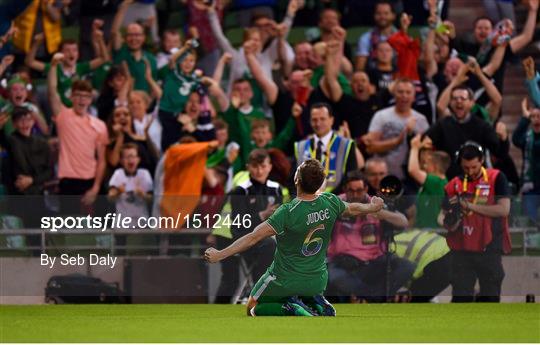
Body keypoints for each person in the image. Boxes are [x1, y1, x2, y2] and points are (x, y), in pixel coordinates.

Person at [205, 159, 385, 316]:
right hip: (317, 280)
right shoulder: (331, 201)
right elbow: (353, 208)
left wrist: (220, 254)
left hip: (285, 279)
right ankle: (317, 303)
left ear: (297, 179)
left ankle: (287, 307)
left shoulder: (287, 212)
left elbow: (253, 238)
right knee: (307, 291)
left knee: (252, 306)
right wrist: (372, 207)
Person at [326, 171, 414, 303]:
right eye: (351, 191)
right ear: (345, 189)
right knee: (335, 277)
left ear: (366, 189)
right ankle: (378, 296)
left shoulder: (375, 203)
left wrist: (380, 213)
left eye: (359, 190)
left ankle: (366, 297)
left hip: (374, 262)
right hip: (344, 263)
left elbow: (403, 222)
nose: (355, 195)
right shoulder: (336, 203)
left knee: (406, 266)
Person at [440, 142, 511, 302]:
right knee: (460, 298)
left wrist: (468, 205)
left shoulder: (497, 178)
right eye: (466, 168)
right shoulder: (453, 185)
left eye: (474, 167)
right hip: (461, 248)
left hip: (490, 246)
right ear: (460, 164)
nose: (470, 172)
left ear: (481, 161)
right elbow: (442, 215)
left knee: (490, 296)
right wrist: (450, 222)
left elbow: (503, 209)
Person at [47, 53, 108, 211]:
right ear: (72, 97)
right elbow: (52, 90)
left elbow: (102, 160)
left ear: (90, 100)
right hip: (68, 180)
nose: (82, 100)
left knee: (96, 229)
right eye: (78, 96)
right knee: (70, 229)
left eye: (86, 97)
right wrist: (53, 65)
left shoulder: (100, 125)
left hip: (91, 180)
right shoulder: (63, 116)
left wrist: (95, 188)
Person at [227, 149, 282, 298]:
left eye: (263, 166)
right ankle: (261, 291)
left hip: (270, 236)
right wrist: (261, 215)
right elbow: (239, 222)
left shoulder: (276, 189)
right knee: (269, 245)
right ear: (248, 167)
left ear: (270, 166)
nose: (259, 171)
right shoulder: (240, 191)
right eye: (255, 166)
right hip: (245, 238)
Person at [425, 85, 507, 179]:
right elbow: (424, 142)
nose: (458, 101)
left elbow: (500, 152)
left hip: (476, 180)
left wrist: (503, 139)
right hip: (449, 181)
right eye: (455, 98)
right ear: (450, 103)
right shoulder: (442, 125)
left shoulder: (481, 125)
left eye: (463, 98)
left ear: (472, 103)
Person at [365, 78, 429, 181]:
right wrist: (398, 140)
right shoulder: (381, 116)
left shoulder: (421, 120)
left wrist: (412, 135)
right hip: (382, 177)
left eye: (408, 92)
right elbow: (370, 147)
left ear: (414, 96)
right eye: (400, 92)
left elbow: (426, 152)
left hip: (410, 179)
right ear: (394, 95)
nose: (404, 95)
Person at [294, 103, 360, 194]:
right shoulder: (300, 147)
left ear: (331, 120)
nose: (318, 123)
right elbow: (293, 179)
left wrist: (328, 199)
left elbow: (351, 178)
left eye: (322, 119)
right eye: (314, 120)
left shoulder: (346, 145)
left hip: (336, 202)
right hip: (307, 203)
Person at [111, 0, 158, 93]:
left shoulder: (151, 59)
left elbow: (153, 86)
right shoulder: (121, 52)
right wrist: (124, 6)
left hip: (143, 104)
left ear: (143, 37)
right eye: (130, 35)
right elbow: (114, 32)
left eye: (137, 35)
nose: (134, 39)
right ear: (125, 38)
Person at [408, 134, 450, 229]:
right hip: (422, 234)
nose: (424, 167)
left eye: (427, 164)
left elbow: (413, 170)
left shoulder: (438, 182)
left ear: (435, 166)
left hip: (433, 235)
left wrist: (414, 148)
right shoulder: (430, 184)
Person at [108, 143, 153, 224]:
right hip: (122, 223)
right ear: (121, 161)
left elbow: (152, 199)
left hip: (141, 222)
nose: (130, 159)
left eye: (133, 156)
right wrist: (118, 191)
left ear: (138, 159)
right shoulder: (118, 174)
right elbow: (110, 197)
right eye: (127, 157)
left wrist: (143, 195)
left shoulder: (144, 174)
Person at [512, 101, 540, 225]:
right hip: (531, 186)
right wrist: (525, 118)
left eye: (538, 116)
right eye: (532, 117)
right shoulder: (528, 138)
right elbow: (516, 139)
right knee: (530, 220)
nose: (535, 120)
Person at [355, 0, 397, 71]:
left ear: (393, 16)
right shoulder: (365, 38)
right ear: (374, 16)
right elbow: (360, 68)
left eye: (386, 13)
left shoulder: (401, 37)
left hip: (397, 77)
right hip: (373, 77)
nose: (382, 17)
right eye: (378, 13)